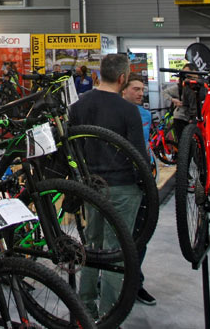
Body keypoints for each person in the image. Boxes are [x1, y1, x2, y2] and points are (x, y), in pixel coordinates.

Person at [70, 53, 154, 310]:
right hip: (122, 188)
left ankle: (85, 308)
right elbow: (138, 155)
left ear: (99, 74)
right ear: (122, 78)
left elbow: (74, 150)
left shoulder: (79, 106)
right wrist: (147, 186)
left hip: (92, 187)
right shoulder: (129, 111)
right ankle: (110, 314)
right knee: (116, 252)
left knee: (92, 247)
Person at [122, 74, 154, 167]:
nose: (141, 94)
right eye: (136, 89)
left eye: (142, 90)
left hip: (143, 164)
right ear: (123, 90)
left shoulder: (146, 114)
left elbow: (145, 141)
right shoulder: (114, 111)